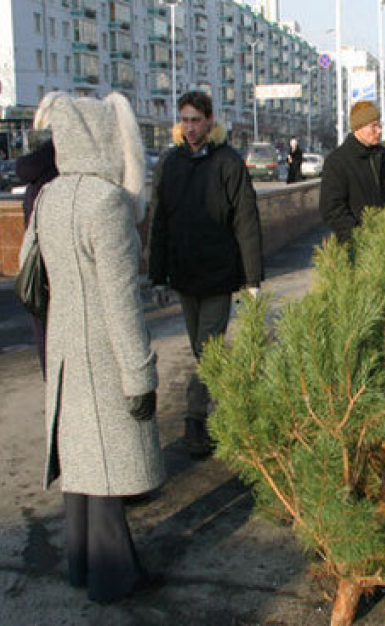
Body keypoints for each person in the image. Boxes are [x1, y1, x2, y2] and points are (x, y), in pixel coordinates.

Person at [22, 91, 164, 603]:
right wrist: (139, 374)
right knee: (104, 465)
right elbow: (121, 299)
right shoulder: (106, 204)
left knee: (82, 465)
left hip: (64, 344)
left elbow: (30, 270)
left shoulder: (51, 198)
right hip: (102, 351)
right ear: (105, 138)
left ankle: (80, 564)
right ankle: (114, 578)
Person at [148, 90, 263, 457]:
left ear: (210, 121)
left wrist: (253, 278)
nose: (190, 127)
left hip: (217, 275)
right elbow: (159, 223)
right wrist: (157, 276)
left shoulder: (227, 162)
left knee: (208, 349)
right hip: (184, 275)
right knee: (202, 350)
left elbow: (246, 220)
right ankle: (225, 412)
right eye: (184, 119)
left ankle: (196, 420)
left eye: (196, 119)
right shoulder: (170, 163)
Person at [320, 101, 385, 244]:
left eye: (380, 125)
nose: (379, 131)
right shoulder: (338, 162)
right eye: (374, 126)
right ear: (358, 128)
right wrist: (357, 236)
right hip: (356, 247)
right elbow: (332, 209)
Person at [15, 133, 58, 376]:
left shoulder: (34, 179)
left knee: (44, 338)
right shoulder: (56, 177)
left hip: (37, 271)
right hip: (54, 272)